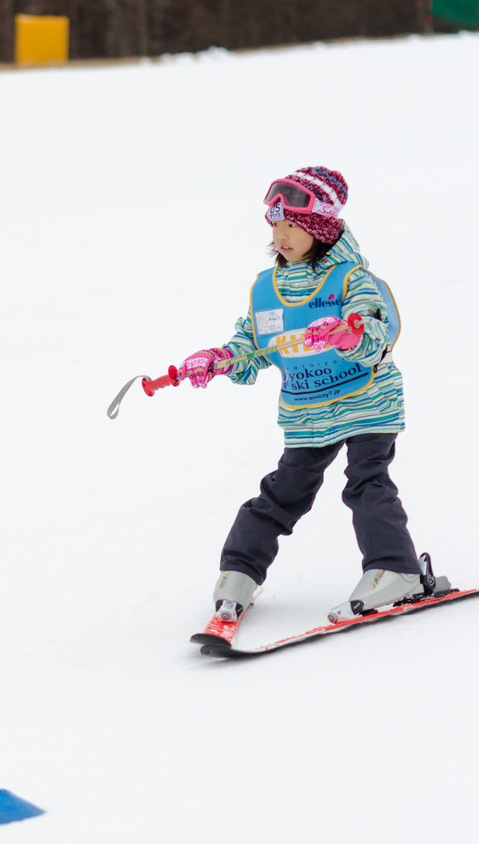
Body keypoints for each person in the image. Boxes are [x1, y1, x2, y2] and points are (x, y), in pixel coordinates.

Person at [178, 166, 424, 624]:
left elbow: (373, 332)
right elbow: (253, 347)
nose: (282, 234)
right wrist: (218, 359)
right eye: (276, 223)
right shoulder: (267, 289)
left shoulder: (352, 280)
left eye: (294, 224)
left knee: (366, 482)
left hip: (367, 403)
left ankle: (396, 568)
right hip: (308, 414)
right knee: (283, 493)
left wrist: (346, 335)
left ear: (321, 228)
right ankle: (239, 573)